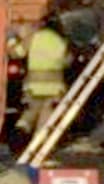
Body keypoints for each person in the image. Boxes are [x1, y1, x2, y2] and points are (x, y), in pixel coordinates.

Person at [17, 13, 70, 141]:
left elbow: (17, 53)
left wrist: (11, 40)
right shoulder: (61, 40)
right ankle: (39, 141)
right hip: (54, 87)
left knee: (31, 110)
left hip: (33, 85)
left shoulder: (32, 38)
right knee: (46, 114)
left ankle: (21, 128)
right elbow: (66, 61)